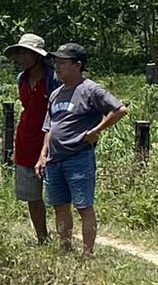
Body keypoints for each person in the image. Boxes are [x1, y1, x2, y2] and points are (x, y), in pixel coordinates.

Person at [36, 41, 130, 255]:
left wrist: (96, 130)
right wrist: (43, 155)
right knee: (60, 206)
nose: (57, 67)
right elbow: (49, 126)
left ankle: (88, 253)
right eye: (56, 62)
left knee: (83, 206)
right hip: (55, 159)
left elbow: (119, 109)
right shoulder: (56, 93)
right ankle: (65, 248)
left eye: (63, 62)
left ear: (77, 65)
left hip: (78, 157)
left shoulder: (90, 90)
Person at [5, 32, 52, 244]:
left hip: (51, 140)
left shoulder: (53, 79)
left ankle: (65, 238)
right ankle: (42, 237)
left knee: (58, 194)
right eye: (19, 53)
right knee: (32, 195)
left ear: (38, 56)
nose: (21, 57)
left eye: (26, 53)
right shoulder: (22, 79)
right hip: (26, 139)